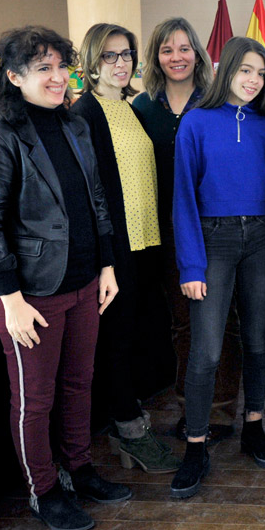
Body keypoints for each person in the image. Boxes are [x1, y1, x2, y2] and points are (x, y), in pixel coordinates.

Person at [0, 26, 130, 530]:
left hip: (84, 283)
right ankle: (45, 490)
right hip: (29, 294)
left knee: (79, 385)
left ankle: (79, 470)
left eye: (62, 66)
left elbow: (96, 201)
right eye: (44, 69)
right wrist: (9, 297)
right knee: (34, 402)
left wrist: (106, 266)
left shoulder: (75, 126)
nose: (58, 78)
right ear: (14, 77)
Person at [170, 37, 265, 498]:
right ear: (227, 70)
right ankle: (195, 445)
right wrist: (191, 265)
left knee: (258, 341)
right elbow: (182, 197)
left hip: (260, 237)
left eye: (261, 73)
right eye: (246, 70)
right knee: (208, 350)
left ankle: (253, 425)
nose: (253, 80)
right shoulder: (195, 122)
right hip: (212, 241)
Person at [70, 23, 180, 474]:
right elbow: (89, 193)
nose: (121, 63)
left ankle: (130, 422)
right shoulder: (85, 113)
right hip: (115, 250)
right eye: (110, 56)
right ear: (92, 62)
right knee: (115, 342)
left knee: (139, 336)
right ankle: (129, 430)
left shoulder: (132, 107)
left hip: (148, 241)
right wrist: (105, 257)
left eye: (127, 54)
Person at [134, 17, 242, 444]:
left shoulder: (216, 104)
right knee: (182, 323)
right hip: (164, 230)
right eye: (166, 49)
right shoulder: (141, 108)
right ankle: (189, 405)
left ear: (198, 53)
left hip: (214, 228)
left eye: (184, 48)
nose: (176, 57)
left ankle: (221, 409)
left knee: (223, 321)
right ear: (156, 57)